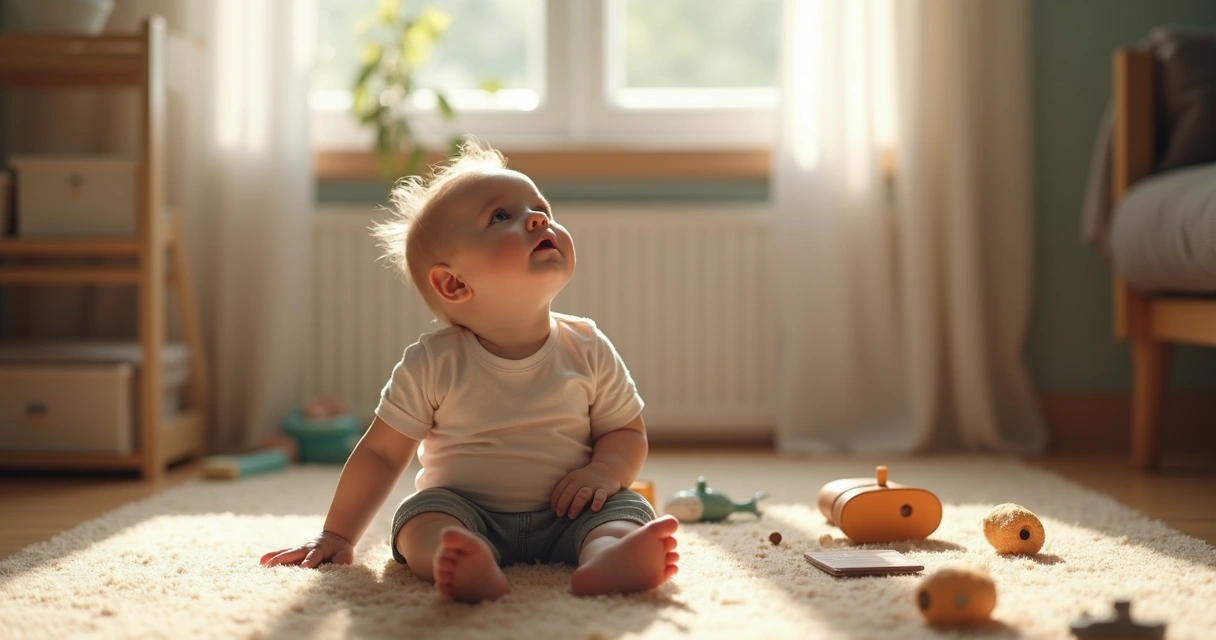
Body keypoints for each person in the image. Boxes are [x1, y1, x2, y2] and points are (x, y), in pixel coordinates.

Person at [260, 140, 679, 603]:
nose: (537, 219)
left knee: (625, 508)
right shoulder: (432, 362)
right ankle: (460, 560)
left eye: (541, 208)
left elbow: (625, 431)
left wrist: (603, 471)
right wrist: (337, 535)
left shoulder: (587, 346)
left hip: (573, 513)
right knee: (420, 520)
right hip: (466, 513)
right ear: (454, 283)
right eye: (501, 216)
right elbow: (380, 454)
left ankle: (609, 556)